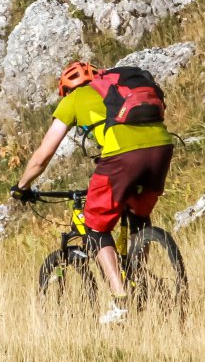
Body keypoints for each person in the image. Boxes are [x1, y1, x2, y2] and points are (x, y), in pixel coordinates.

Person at [12, 61, 174, 324]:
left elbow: (43, 154)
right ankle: (139, 279)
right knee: (137, 215)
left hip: (123, 155)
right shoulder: (117, 88)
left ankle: (120, 301)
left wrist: (22, 187)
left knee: (96, 226)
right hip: (162, 149)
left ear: (66, 88)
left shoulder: (74, 99)